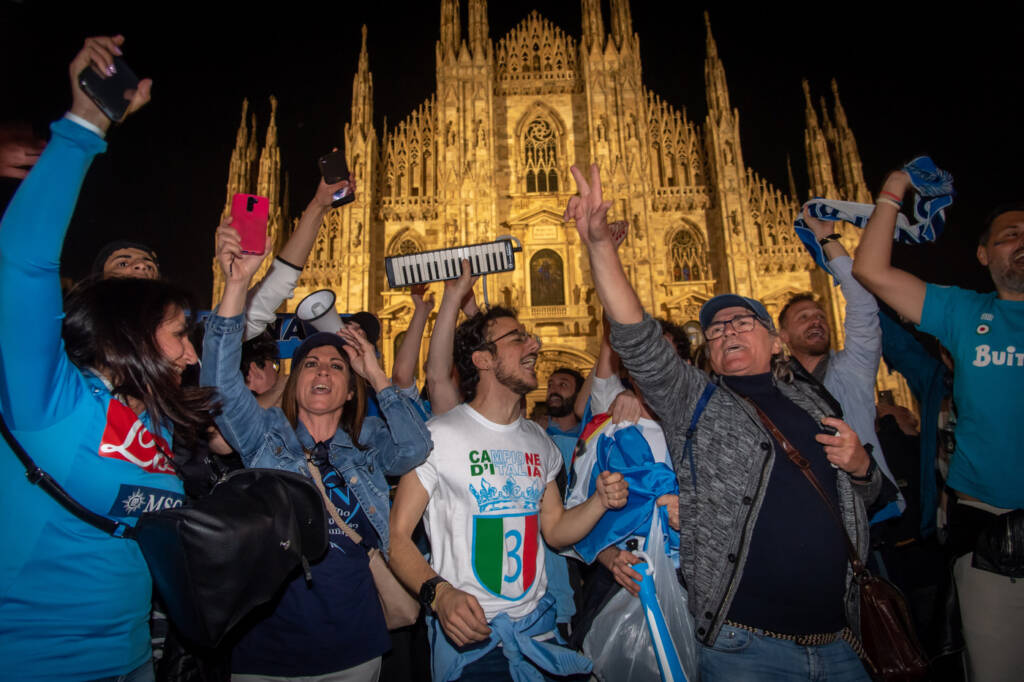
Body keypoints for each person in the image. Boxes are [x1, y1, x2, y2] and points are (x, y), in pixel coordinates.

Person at [567, 164, 881, 680]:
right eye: (714, 330)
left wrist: (863, 468)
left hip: (839, 635)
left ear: (776, 341)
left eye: (742, 321)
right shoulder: (699, 402)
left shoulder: (815, 402)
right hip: (746, 644)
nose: (727, 330)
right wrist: (600, 246)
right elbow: (639, 342)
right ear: (708, 354)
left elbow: (862, 498)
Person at [0, 35, 217, 681]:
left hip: (131, 660)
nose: (191, 356)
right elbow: (23, 260)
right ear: (132, 332)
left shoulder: (152, 421)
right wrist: (85, 126)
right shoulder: (47, 397)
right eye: (180, 335)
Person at [202, 221, 433, 681]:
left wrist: (375, 373)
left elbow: (415, 446)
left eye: (336, 366)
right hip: (267, 652)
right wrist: (236, 286)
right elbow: (219, 384)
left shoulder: (367, 442)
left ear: (350, 389)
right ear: (295, 381)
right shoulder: (263, 435)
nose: (323, 370)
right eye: (310, 363)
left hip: (355, 647)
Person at [388, 306, 629, 682]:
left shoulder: (540, 442)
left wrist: (598, 501)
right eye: (518, 338)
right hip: (471, 642)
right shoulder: (436, 437)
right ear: (482, 359)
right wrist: (441, 594)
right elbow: (397, 537)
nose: (535, 344)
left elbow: (555, 530)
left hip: (539, 633)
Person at [852, 171, 1024, 681]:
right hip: (990, 535)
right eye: (1010, 235)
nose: (1022, 242)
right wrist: (895, 186)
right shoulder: (966, 313)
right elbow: (872, 270)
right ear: (983, 255)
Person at [781, 208, 903, 522]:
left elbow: (862, 302)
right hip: (815, 518)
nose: (816, 322)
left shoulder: (853, 368)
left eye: (820, 317)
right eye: (804, 318)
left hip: (874, 512)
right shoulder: (779, 386)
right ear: (782, 336)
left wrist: (827, 239)